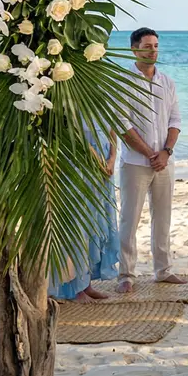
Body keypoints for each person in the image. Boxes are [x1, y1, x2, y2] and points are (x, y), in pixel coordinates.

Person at [117, 28, 186, 292]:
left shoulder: (167, 81)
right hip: (135, 163)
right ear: (134, 49)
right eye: (147, 46)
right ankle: (126, 274)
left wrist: (166, 151)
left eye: (156, 46)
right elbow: (123, 124)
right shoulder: (123, 81)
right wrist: (150, 154)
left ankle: (163, 269)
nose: (152, 51)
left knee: (163, 217)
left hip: (165, 161)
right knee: (130, 218)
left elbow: (175, 120)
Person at [49, 121, 121, 303]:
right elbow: (71, 130)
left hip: (104, 162)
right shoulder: (70, 95)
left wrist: (112, 158)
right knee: (78, 221)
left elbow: (111, 126)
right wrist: (97, 159)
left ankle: (87, 284)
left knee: (95, 221)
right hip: (78, 160)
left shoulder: (107, 94)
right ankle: (75, 287)